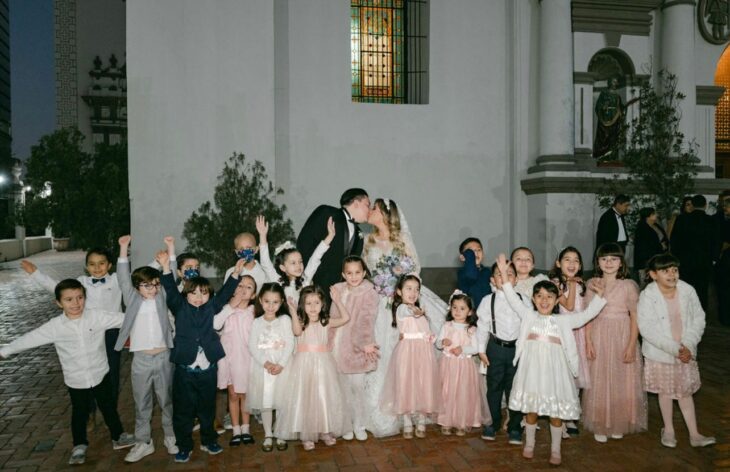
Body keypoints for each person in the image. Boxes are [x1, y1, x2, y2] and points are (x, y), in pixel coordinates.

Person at [0, 279, 135, 465]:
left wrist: (152, 315)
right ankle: (79, 445)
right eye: (69, 299)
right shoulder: (55, 326)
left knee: (108, 406)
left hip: (99, 372)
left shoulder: (96, 317)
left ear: (85, 298)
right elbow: (31, 338)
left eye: (80, 297)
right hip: (76, 378)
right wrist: (4, 351)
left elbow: (125, 318)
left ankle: (118, 436)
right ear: (59, 303)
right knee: (79, 412)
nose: (76, 303)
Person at [494, 254, 607, 466]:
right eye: (540, 297)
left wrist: (600, 298)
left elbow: (585, 316)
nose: (544, 301)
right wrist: (502, 270)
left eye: (549, 297)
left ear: (556, 301)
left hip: (555, 374)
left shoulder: (563, 321)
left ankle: (556, 449)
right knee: (531, 410)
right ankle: (529, 444)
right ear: (534, 300)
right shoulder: (528, 316)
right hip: (532, 372)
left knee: (556, 413)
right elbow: (510, 296)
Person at [361, 198, 448, 437]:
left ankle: (417, 406)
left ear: (387, 214)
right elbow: (368, 272)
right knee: (385, 354)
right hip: (381, 301)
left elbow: (415, 269)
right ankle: (391, 409)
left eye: (375, 208)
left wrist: (404, 293)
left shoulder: (402, 240)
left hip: (404, 298)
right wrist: (382, 286)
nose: (370, 211)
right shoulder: (367, 241)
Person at [158, 252, 245, 463]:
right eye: (194, 293)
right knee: (183, 411)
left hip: (208, 369)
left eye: (204, 293)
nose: (199, 297)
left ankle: (209, 440)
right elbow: (170, 289)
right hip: (185, 369)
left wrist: (235, 274)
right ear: (186, 294)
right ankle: (184, 445)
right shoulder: (179, 307)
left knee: (207, 408)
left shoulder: (211, 307)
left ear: (209, 295)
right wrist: (166, 269)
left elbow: (224, 295)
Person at [21, 248, 124, 408]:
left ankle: (110, 410)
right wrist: (35, 274)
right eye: (92, 264)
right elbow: (58, 288)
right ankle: (89, 411)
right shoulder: (81, 282)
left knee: (111, 373)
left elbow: (139, 278)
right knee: (86, 371)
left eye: (101, 263)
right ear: (86, 266)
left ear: (109, 265)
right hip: (86, 331)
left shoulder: (118, 280)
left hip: (111, 332)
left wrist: (161, 263)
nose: (97, 268)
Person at [637, 254, 715, 448]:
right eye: (665, 271)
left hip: (685, 351)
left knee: (684, 392)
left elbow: (698, 319)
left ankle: (695, 434)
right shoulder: (648, 296)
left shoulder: (688, 290)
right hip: (661, 352)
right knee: (665, 392)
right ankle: (669, 430)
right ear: (654, 275)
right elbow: (647, 328)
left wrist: (687, 345)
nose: (672, 275)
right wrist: (675, 348)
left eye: (674, 270)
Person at [115, 236, 177, 462]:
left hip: (164, 356)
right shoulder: (132, 299)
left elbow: (170, 275)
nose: (152, 288)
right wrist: (123, 249)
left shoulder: (162, 296)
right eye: (147, 285)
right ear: (137, 287)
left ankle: (171, 436)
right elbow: (123, 277)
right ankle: (143, 442)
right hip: (141, 359)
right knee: (142, 403)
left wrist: (170, 251)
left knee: (166, 400)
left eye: (155, 283)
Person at [582, 243, 647, 443]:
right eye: (604, 259)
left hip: (622, 334)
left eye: (613, 259)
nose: (608, 263)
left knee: (622, 379)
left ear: (621, 263)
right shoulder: (592, 283)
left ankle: (620, 420)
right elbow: (588, 316)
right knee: (600, 378)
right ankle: (600, 421)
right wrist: (588, 342)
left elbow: (635, 316)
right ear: (598, 262)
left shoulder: (628, 285)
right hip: (600, 334)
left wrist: (631, 345)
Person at [275, 286, 351, 451]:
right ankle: (306, 434)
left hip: (323, 364)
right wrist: (293, 312)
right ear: (303, 304)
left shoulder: (326, 321)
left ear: (322, 304)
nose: (313, 306)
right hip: (304, 365)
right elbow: (296, 332)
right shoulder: (301, 322)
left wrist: (337, 301)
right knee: (306, 397)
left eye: (316, 302)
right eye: (308, 303)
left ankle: (324, 430)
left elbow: (346, 318)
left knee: (323, 396)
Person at [379, 275, 441, 439]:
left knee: (423, 383)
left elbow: (428, 329)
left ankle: (421, 418)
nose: (413, 293)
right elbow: (407, 311)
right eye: (409, 289)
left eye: (416, 289)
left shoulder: (421, 312)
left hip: (424, 352)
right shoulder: (402, 309)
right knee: (406, 383)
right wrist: (415, 311)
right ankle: (406, 420)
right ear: (399, 292)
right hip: (407, 351)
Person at [476, 259, 531, 444]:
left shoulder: (524, 300)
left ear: (515, 280)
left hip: (516, 349)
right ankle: (493, 423)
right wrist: (481, 350)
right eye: (500, 274)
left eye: (509, 274)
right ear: (492, 279)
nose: (504, 278)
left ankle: (515, 426)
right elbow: (482, 327)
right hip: (495, 349)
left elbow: (529, 325)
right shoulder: (487, 301)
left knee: (515, 388)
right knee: (494, 387)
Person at [328, 256, 380, 441]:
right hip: (337, 347)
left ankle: (359, 424)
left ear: (364, 272)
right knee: (342, 389)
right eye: (349, 273)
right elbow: (333, 317)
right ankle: (346, 424)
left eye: (358, 272)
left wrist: (365, 343)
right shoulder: (338, 290)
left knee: (357, 388)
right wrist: (328, 342)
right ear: (343, 274)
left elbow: (367, 320)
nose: (354, 276)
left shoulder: (369, 293)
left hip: (358, 347)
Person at [247, 283, 294, 453]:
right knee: (266, 401)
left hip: (283, 366)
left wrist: (280, 364)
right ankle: (268, 434)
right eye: (267, 301)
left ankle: (280, 432)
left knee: (282, 400)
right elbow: (252, 345)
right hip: (263, 368)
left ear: (281, 302)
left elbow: (289, 344)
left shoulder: (284, 320)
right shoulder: (257, 322)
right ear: (260, 300)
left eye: (275, 302)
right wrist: (265, 363)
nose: (271, 306)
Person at [436, 291, 491, 436]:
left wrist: (462, 349)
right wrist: (442, 342)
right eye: (454, 307)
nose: (457, 311)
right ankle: (446, 420)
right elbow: (437, 343)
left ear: (469, 312)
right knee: (447, 392)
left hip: (464, 366)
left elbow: (475, 348)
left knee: (463, 393)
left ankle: (462, 421)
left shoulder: (472, 330)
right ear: (450, 308)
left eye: (462, 308)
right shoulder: (447, 326)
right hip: (447, 365)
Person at [548, 246, 589, 437]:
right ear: (558, 263)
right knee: (562, 378)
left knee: (577, 377)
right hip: (563, 335)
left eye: (576, 260)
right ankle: (561, 418)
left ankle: (572, 415)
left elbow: (585, 314)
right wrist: (571, 284)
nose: (571, 264)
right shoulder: (555, 284)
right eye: (567, 259)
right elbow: (570, 306)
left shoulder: (582, 285)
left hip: (580, 334)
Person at [297, 188, 371, 291]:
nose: (369, 210)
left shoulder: (359, 235)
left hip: (339, 291)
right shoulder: (326, 213)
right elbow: (304, 243)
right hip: (314, 284)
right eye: (367, 205)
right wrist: (306, 277)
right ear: (356, 203)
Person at [217, 275, 257, 446]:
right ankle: (236, 429)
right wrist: (230, 307)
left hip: (247, 359)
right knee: (233, 395)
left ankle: (246, 428)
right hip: (230, 359)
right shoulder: (226, 310)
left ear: (254, 295)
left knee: (246, 395)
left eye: (249, 287)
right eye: (240, 285)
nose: (243, 289)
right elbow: (215, 325)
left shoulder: (254, 312)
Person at [258, 215, 334, 305]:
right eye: (293, 263)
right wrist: (262, 236)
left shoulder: (305, 279)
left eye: (300, 261)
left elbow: (315, 258)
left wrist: (330, 236)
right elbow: (265, 263)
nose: (298, 265)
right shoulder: (277, 280)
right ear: (282, 267)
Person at [671, 194, 716, 310]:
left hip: (685, 262)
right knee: (702, 290)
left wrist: (676, 259)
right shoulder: (711, 221)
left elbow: (674, 240)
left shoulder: (682, 219)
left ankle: (685, 314)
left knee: (685, 289)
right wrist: (714, 258)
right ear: (705, 205)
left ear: (693, 205)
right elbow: (715, 241)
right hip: (704, 262)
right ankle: (701, 314)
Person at [633, 207, 669, 281]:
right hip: (647, 260)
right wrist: (660, 246)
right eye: (654, 213)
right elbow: (644, 246)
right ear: (648, 216)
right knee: (646, 282)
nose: (657, 215)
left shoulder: (656, 225)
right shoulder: (641, 228)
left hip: (659, 258)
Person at [457, 237, 492, 307]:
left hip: (488, 311)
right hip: (472, 312)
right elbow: (471, 275)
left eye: (479, 250)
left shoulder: (487, 271)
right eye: (471, 251)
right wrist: (469, 255)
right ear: (462, 257)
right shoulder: (462, 272)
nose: (475, 252)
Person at [715, 197, 730, 325]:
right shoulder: (718, 218)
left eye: (727, 206)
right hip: (724, 261)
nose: (724, 208)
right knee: (723, 290)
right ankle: (725, 318)